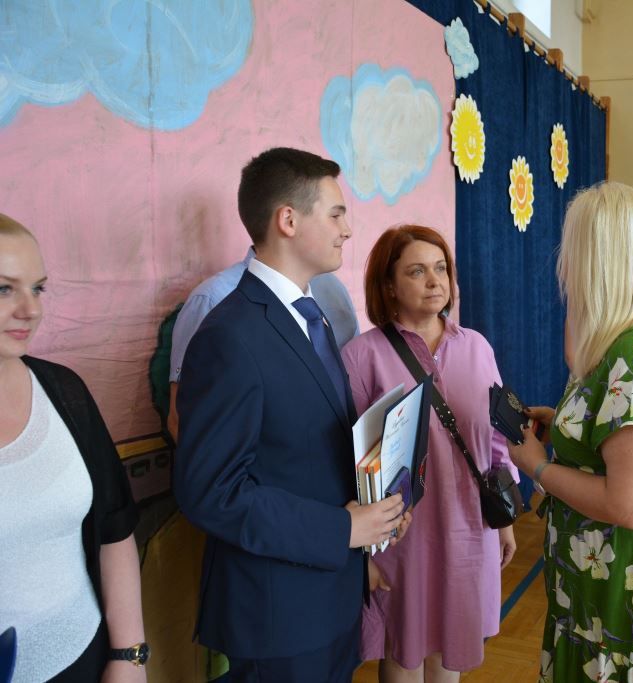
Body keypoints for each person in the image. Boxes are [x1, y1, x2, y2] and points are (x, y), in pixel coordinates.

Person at [172, 147, 408, 682]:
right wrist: (342, 528)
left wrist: (377, 512)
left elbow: (315, 448)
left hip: (330, 593)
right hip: (277, 612)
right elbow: (211, 491)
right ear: (288, 220)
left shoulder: (311, 314)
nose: (347, 229)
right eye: (336, 213)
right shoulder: (229, 335)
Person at [508, 182, 633, 682]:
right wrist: (567, 429)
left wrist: (537, 466)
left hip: (629, 581)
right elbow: (625, 438)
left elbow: (629, 505)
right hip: (611, 577)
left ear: (596, 259)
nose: (564, 265)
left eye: (572, 249)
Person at [341, 225, 516, 682]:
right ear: (388, 286)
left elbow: (498, 439)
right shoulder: (362, 356)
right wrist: (362, 554)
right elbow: (348, 462)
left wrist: (505, 518)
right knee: (404, 652)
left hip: (469, 528)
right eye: (417, 271)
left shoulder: (476, 346)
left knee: (450, 650)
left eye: (441, 268)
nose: (435, 281)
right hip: (402, 539)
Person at [0, 214, 147, 682]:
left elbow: (115, 528)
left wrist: (130, 657)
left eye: (37, 288)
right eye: (3, 289)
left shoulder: (63, 392)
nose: (30, 309)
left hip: (85, 657)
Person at [166, 247, 358, 440]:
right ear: (287, 227)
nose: (346, 233)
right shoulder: (212, 299)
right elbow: (181, 423)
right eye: (333, 219)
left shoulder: (333, 290)